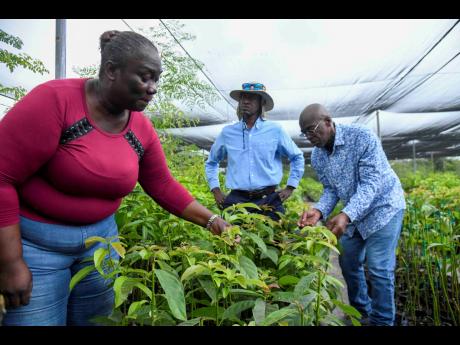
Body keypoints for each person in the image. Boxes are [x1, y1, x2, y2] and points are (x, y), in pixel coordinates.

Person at [0, 30, 229, 326]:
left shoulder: (141, 128)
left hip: (101, 246)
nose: (153, 88)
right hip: (37, 247)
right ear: (111, 70)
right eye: (145, 77)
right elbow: (2, 177)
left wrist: (212, 220)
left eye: (156, 79)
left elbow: (161, 184)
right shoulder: (56, 101)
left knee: (96, 320)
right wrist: (10, 262)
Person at [297, 104, 406, 326]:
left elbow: (371, 183)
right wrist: (318, 210)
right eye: (305, 132)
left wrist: (346, 215)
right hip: (356, 214)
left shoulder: (362, 137)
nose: (309, 136)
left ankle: (383, 322)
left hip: (384, 207)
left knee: (378, 268)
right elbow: (331, 189)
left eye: (312, 129)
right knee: (347, 260)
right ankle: (360, 314)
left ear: (328, 121)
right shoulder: (318, 156)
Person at [205, 82, 305, 221]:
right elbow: (211, 162)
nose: (246, 101)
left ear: (261, 102)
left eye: (252, 98)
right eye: (243, 97)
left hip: (269, 200)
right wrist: (215, 190)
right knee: (235, 240)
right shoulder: (228, 133)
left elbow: (297, 156)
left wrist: (290, 186)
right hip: (237, 201)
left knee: (274, 241)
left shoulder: (275, 130)